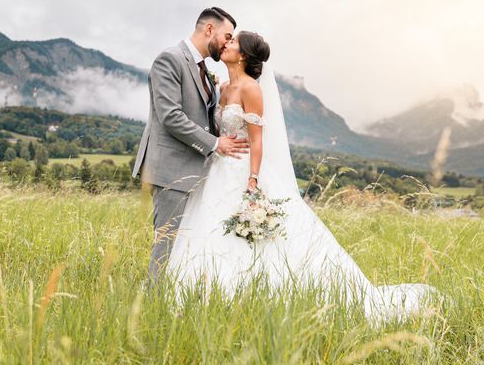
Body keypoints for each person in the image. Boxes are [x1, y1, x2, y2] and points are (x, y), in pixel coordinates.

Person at [166, 31, 439, 326]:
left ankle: (257, 295)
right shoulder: (225, 87)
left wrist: (254, 179)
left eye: (232, 42)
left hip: (243, 170)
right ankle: (205, 295)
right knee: (212, 229)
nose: (226, 44)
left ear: (243, 54)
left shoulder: (250, 89)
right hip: (219, 170)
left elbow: (258, 141)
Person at [132, 7, 250, 284]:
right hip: (171, 170)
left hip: (196, 171)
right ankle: (153, 305)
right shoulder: (170, 59)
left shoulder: (203, 69)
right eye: (227, 36)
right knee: (167, 245)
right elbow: (170, 116)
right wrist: (214, 143)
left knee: (186, 246)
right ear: (209, 29)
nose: (227, 43)